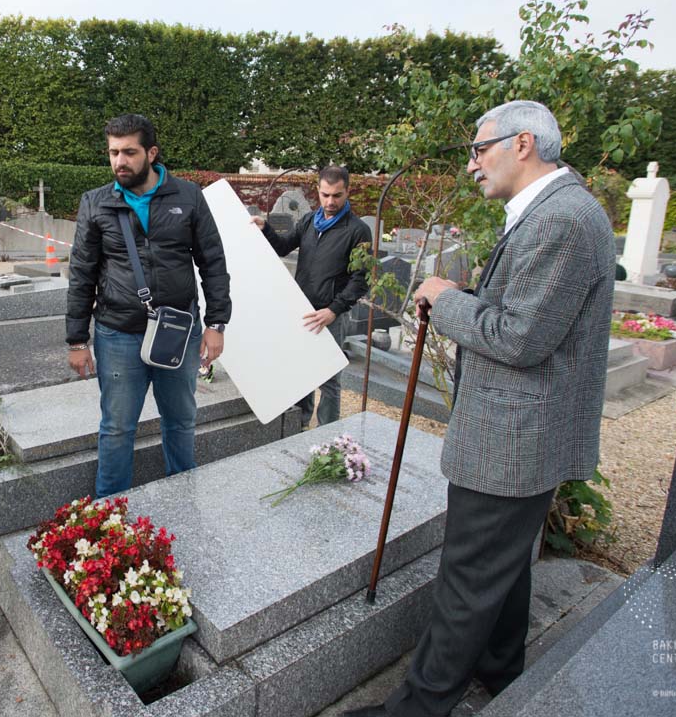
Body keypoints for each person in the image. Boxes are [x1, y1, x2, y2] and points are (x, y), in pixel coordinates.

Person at [345, 101, 614, 717]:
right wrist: (464, 298)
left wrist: (444, 299)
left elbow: (520, 338)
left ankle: (418, 707)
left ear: (523, 143)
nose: (471, 163)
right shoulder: (552, 210)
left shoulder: (562, 220)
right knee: (506, 567)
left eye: (478, 148)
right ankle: (501, 671)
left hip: (512, 439)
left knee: (468, 577)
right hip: (519, 435)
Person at [66, 114, 232, 498]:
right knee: (118, 427)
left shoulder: (188, 196)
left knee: (180, 420)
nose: (119, 161)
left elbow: (213, 262)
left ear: (151, 153)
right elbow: (82, 275)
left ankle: (182, 499)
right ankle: (110, 514)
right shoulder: (95, 203)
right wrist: (77, 341)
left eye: (129, 152)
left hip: (178, 330)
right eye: (112, 153)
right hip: (118, 333)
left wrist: (216, 323)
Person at [252, 165, 372, 426]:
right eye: (325, 194)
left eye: (337, 195)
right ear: (317, 191)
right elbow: (284, 247)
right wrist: (266, 229)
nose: (330, 201)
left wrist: (333, 310)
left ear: (347, 191)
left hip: (331, 314)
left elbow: (361, 279)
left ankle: (327, 433)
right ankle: (300, 424)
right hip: (302, 309)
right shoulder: (308, 221)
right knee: (301, 372)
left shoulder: (358, 230)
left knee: (329, 379)